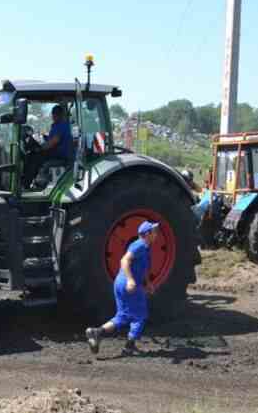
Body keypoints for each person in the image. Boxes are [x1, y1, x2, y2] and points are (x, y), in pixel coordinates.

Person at [85, 221, 158, 355]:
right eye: (154, 231)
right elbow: (124, 261)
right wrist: (130, 280)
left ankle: (96, 333)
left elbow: (142, 267)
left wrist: (147, 282)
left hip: (120, 283)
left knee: (123, 316)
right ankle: (129, 347)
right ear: (147, 234)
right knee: (139, 316)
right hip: (129, 284)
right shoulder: (140, 245)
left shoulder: (144, 247)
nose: (157, 233)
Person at [24, 104, 73, 188]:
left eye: (55, 114)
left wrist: (39, 148)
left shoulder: (62, 126)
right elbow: (52, 139)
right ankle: (33, 182)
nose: (53, 116)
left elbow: (53, 142)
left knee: (33, 158)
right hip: (56, 154)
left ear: (60, 115)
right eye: (53, 113)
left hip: (61, 156)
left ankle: (28, 184)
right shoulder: (58, 125)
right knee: (34, 156)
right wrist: (44, 139)